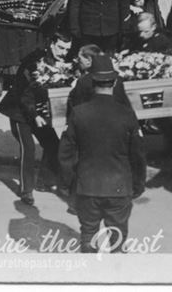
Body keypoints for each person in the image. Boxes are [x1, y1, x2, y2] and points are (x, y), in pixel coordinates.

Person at [59, 54, 147, 253]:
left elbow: (65, 153)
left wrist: (67, 183)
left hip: (87, 186)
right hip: (119, 187)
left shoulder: (79, 113)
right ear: (114, 82)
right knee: (117, 238)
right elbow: (138, 155)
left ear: (92, 83)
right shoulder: (127, 115)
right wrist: (138, 184)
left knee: (88, 235)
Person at [0, 32, 72, 204]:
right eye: (61, 48)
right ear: (51, 44)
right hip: (19, 112)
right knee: (28, 148)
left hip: (37, 112)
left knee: (53, 144)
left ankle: (43, 181)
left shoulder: (59, 61)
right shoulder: (33, 62)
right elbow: (24, 94)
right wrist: (35, 115)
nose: (63, 52)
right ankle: (26, 190)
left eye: (67, 49)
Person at [66, 44, 130, 118]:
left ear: (88, 60)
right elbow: (126, 106)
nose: (78, 62)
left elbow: (76, 107)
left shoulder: (83, 81)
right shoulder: (117, 79)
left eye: (79, 59)